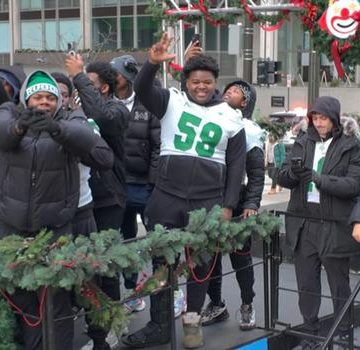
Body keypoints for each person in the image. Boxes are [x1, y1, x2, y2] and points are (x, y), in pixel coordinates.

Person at [122, 32, 247, 349]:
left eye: (206, 82)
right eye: (195, 82)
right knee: (162, 268)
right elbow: (141, 89)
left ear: (215, 82)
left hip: (207, 203)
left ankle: (192, 324)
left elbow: (236, 166)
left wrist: (229, 205)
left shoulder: (231, 117)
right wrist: (150, 64)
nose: (201, 87)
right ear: (186, 82)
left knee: (200, 268)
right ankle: (159, 326)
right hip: (167, 198)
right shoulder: (170, 101)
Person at [0, 69, 113, 350]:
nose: (44, 103)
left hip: (56, 230)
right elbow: (3, 134)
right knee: (24, 300)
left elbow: (88, 140)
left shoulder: (70, 117)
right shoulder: (9, 113)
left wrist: (56, 129)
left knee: (56, 301)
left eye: (50, 98)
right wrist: (19, 128)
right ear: (26, 99)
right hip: (12, 228)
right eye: (37, 97)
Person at [277, 96, 360, 345]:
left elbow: (353, 184)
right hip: (303, 223)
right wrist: (292, 173)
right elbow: (280, 175)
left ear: (334, 119)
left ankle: (343, 333)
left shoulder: (351, 145)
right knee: (306, 284)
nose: (318, 122)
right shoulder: (302, 141)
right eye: (315, 117)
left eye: (323, 118)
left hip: (334, 225)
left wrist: (318, 178)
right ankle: (310, 334)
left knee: (339, 285)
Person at [65, 56, 129, 350]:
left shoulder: (116, 111)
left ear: (104, 88)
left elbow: (102, 118)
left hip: (108, 200)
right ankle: (94, 323)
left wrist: (78, 76)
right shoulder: (75, 111)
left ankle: (110, 327)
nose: (83, 89)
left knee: (104, 268)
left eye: (88, 84)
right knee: (85, 267)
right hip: (79, 202)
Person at [202, 80, 265, 330]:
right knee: (210, 259)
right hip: (209, 199)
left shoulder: (249, 129)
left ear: (245, 102)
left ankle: (247, 304)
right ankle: (216, 304)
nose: (229, 92)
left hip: (237, 203)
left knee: (241, 259)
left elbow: (257, 172)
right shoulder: (212, 120)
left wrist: (251, 202)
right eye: (228, 89)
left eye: (237, 91)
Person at [110, 54, 161, 314]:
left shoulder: (147, 102)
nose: (113, 78)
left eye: (116, 73)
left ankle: (165, 292)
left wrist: (153, 184)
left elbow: (157, 146)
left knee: (158, 241)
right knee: (125, 239)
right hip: (118, 184)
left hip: (144, 185)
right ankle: (132, 290)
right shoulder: (104, 103)